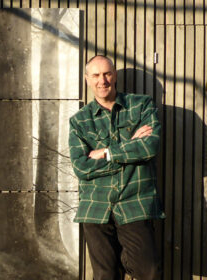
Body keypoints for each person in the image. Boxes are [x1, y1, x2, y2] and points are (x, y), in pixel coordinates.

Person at [69, 55, 165, 280]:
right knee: (105, 275)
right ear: (87, 79)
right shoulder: (79, 121)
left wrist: (106, 153)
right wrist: (131, 147)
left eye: (107, 74)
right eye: (95, 75)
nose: (102, 80)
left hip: (135, 203)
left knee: (149, 272)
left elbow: (150, 146)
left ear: (115, 76)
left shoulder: (141, 106)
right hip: (95, 207)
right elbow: (81, 167)